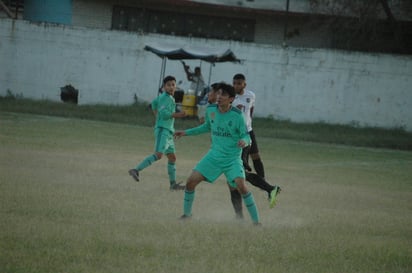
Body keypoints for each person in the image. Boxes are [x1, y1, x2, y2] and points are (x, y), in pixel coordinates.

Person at [174, 83, 261, 225]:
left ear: (231, 99)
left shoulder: (237, 116)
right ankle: (187, 215)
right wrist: (185, 132)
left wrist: (244, 141)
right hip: (214, 156)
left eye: (224, 95)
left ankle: (256, 223)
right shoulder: (211, 110)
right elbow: (207, 126)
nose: (219, 97)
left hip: (232, 159)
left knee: (242, 186)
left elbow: (247, 136)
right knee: (190, 182)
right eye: (219, 94)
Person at [231, 73, 281, 216]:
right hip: (241, 135)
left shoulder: (251, 95)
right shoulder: (231, 98)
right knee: (242, 169)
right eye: (234, 83)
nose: (236, 86)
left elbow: (250, 112)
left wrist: (247, 125)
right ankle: (267, 188)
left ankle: (267, 187)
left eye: (239, 83)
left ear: (244, 85)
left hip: (246, 134)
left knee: (250, 163)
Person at [128, 75, 187, 191]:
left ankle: (173, 185)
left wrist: (156, 115)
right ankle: (136, 170)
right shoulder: (166, 98)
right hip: (163, 130)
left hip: (169, 131)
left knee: (172, 158)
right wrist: (179, 115)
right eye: (168, 85)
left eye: (173, 85)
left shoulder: (165, 97)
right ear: (164, 87)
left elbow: (153, 104)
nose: (171, 87)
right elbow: (165, 114)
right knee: (158, 155)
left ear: (176, 87)